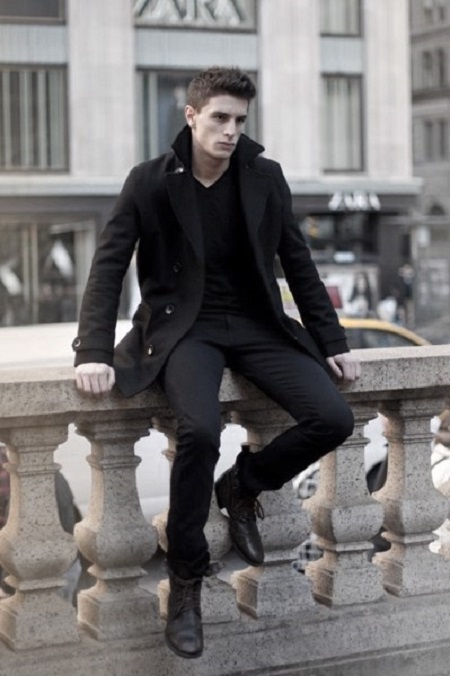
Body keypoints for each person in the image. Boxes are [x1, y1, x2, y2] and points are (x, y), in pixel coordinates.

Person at [73, 67, 361, 659]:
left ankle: (243, 484)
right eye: (220, 118)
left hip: (256, 325)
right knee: (200, 431)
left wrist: (333, 341)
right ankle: (186, 583)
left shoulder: (264, 176)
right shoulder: (150, 181)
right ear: (192, 116)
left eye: (239, 120)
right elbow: (108, 267)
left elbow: (298, 264)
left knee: (333, 417)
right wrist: (93, 351)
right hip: (185, 330)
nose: (231, 131)